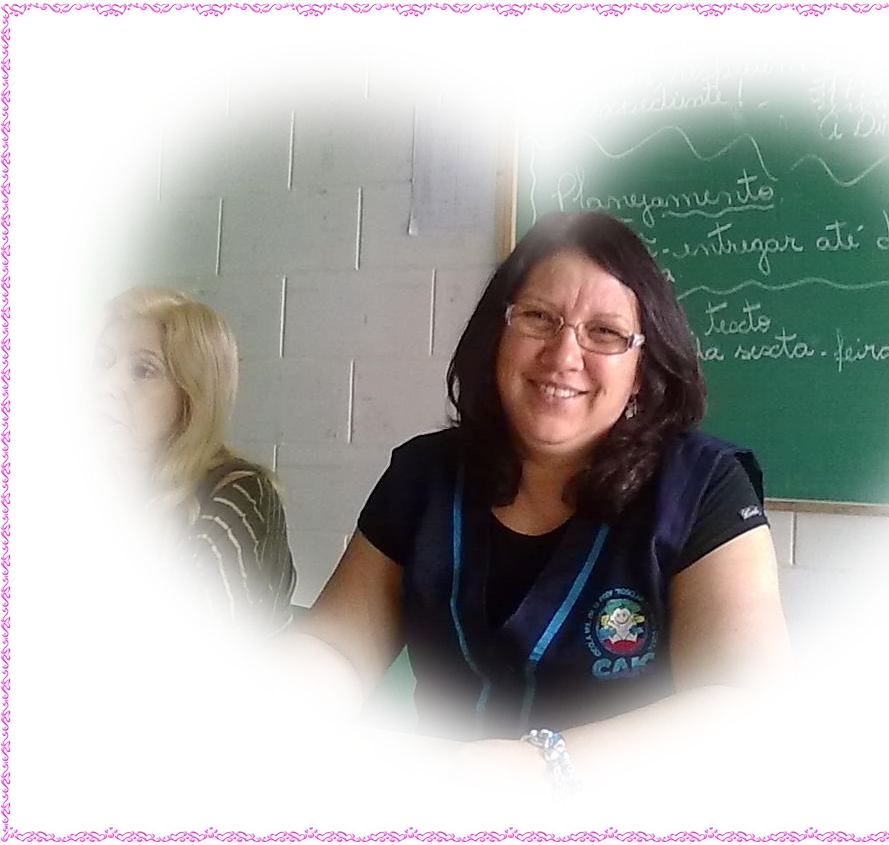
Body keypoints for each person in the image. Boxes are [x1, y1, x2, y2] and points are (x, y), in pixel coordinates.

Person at [295, 212, 789, 801]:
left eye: (605, 332)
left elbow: (744, 706)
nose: (563, 355)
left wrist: (541, 767)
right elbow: (334, 646)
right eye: (538, 318)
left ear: (640, 371)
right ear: (497, 335)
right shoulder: (424, 476)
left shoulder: (706, 488)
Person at [96, 285, 297, 634]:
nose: (105, 385)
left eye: (143, 370)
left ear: (190, 398)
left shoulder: (242, 493)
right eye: (102, 362)